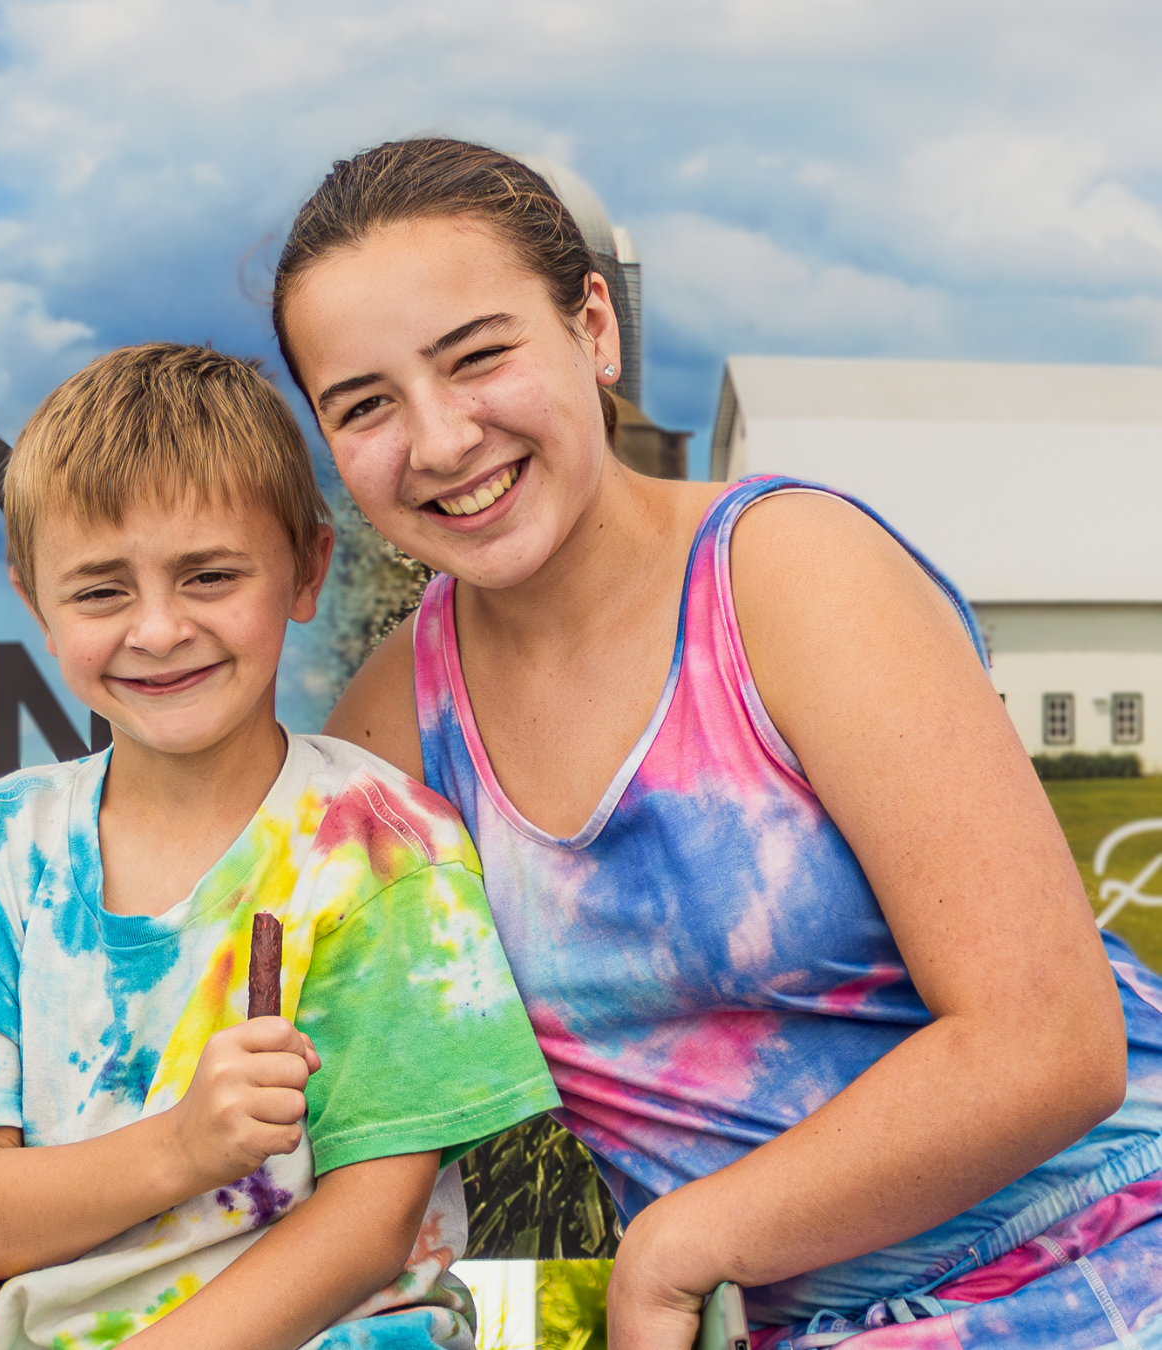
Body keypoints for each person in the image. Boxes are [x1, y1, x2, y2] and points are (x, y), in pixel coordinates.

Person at [280, 141, 1162, 1348]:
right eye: (366, 403)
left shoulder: (786, 577)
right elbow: (287, 1089)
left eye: (478, 356)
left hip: (1101, 1249)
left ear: (594, 328)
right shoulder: (391, 730)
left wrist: (683, 1244)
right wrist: (9, 1277)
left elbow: (1051, 1046)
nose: (437, 442)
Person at [0, 343, 559, 1350]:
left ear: (306, 572)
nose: (158, 628)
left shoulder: (385, 850)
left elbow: (369, 1227)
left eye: (210, 575)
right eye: (100, 591)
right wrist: (183, 1147)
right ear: (35, 606)